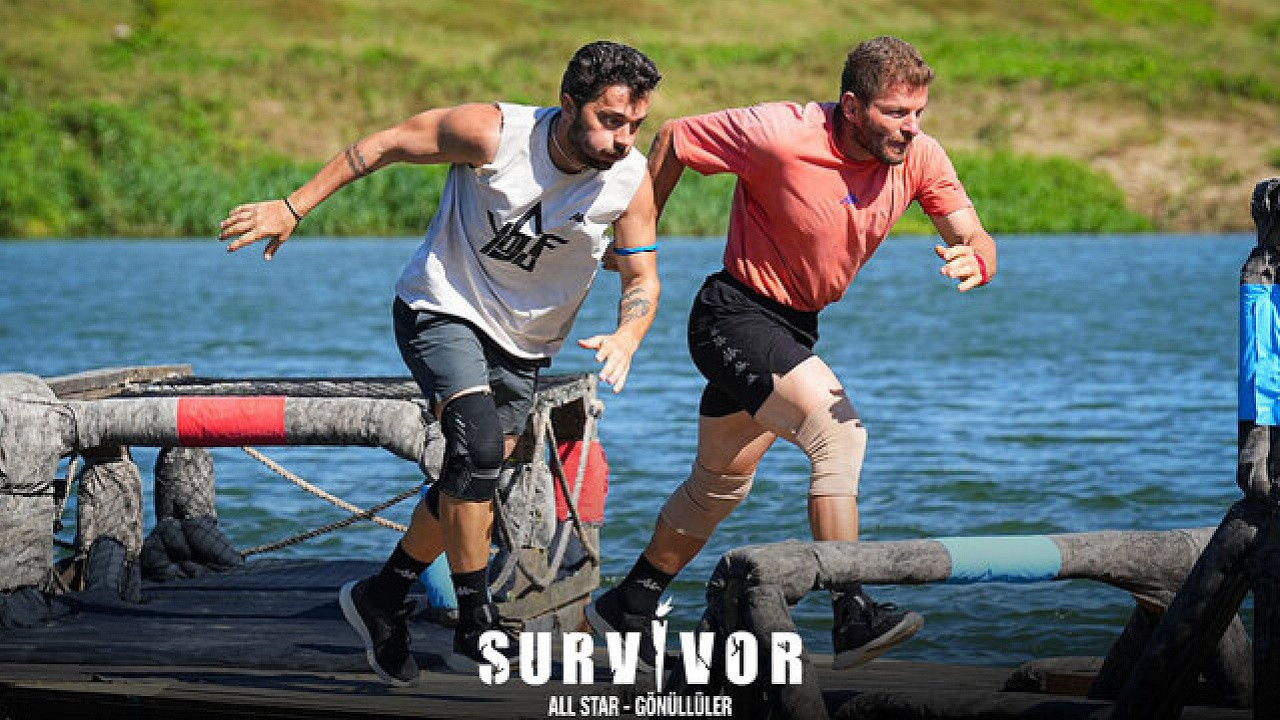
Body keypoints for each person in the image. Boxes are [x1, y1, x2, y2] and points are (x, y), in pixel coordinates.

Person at [218, 41, 662, 687]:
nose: (623, 139)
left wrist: (628, 334)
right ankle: (477, 621)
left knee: (474, 472)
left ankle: (381, 596)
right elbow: (385, 144)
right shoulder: (494, 134)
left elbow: (643, 277)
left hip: (525, 342)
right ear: (569, 104)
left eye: (635, 125)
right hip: (442, 305)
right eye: (611, 120)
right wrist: (294, 206)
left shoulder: (630, 179)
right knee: (478, 449)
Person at [587, 36, 997, 671]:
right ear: (852, 106)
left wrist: (976, 257)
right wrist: (637, 238)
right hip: (732, 316)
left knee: (720, 483)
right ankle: (851, 610)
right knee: (839, 434)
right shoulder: (781, 134)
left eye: (918, 112)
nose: (911, 127)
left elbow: (974, 233)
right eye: (895, 113)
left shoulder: (920, 157)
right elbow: (675, 138)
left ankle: (628, 604)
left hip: (794, 328)